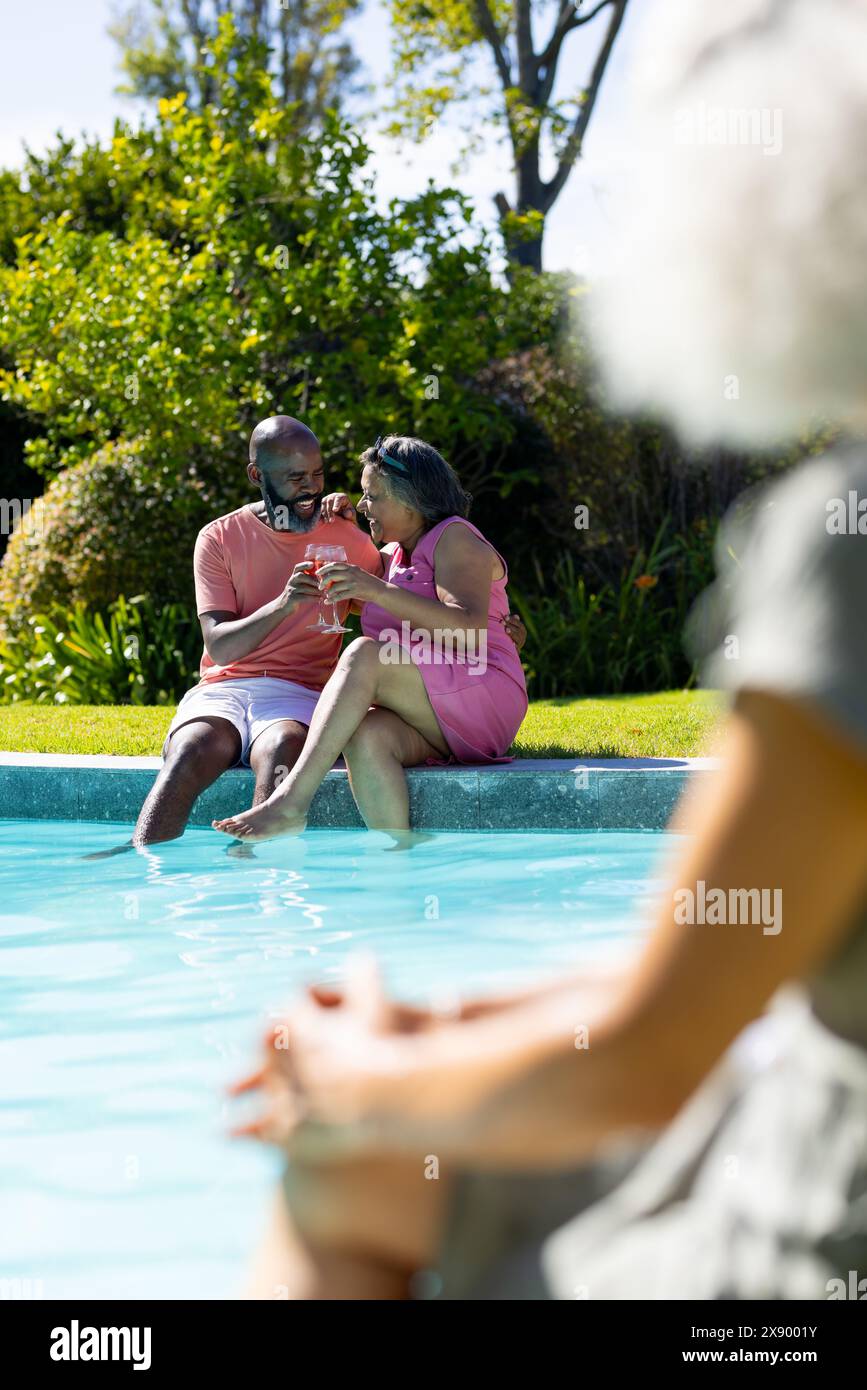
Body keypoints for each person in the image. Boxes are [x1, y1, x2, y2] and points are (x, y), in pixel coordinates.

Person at [228, 0, 867, 1301]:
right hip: (787, 1089)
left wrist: (359, 1071)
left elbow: (646, 1050)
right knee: (369, 720)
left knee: (331, 1155)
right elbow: (760, 961)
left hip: (805, 1221)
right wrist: (450, 1022)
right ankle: (364, 856)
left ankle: (288, 814)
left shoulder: (839, 543)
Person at [211, 435, 529, 840]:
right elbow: (398, 596)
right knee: (364, 734)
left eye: (372, 496)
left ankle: (290, 802)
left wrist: (375, 590)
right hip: (440, 710)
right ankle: (399, 858)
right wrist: (349, 532)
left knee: (363, 653)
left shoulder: (455, 537)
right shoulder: (396, 557)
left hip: (483, 690)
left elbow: (467, 631)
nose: (363, 506)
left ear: (410, 499)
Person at [92, 415, 383, 855]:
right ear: (256, 475)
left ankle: (254, 866)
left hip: (299, 690)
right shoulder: (219, 537)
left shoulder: (347, 538)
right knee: (190, 750)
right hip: (224, 687)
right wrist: (284, 605)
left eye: (318, 474)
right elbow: (221, 646)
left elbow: (392, 604)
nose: (311, 489)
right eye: (295, 478)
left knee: (283, 746)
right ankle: (141, 860)